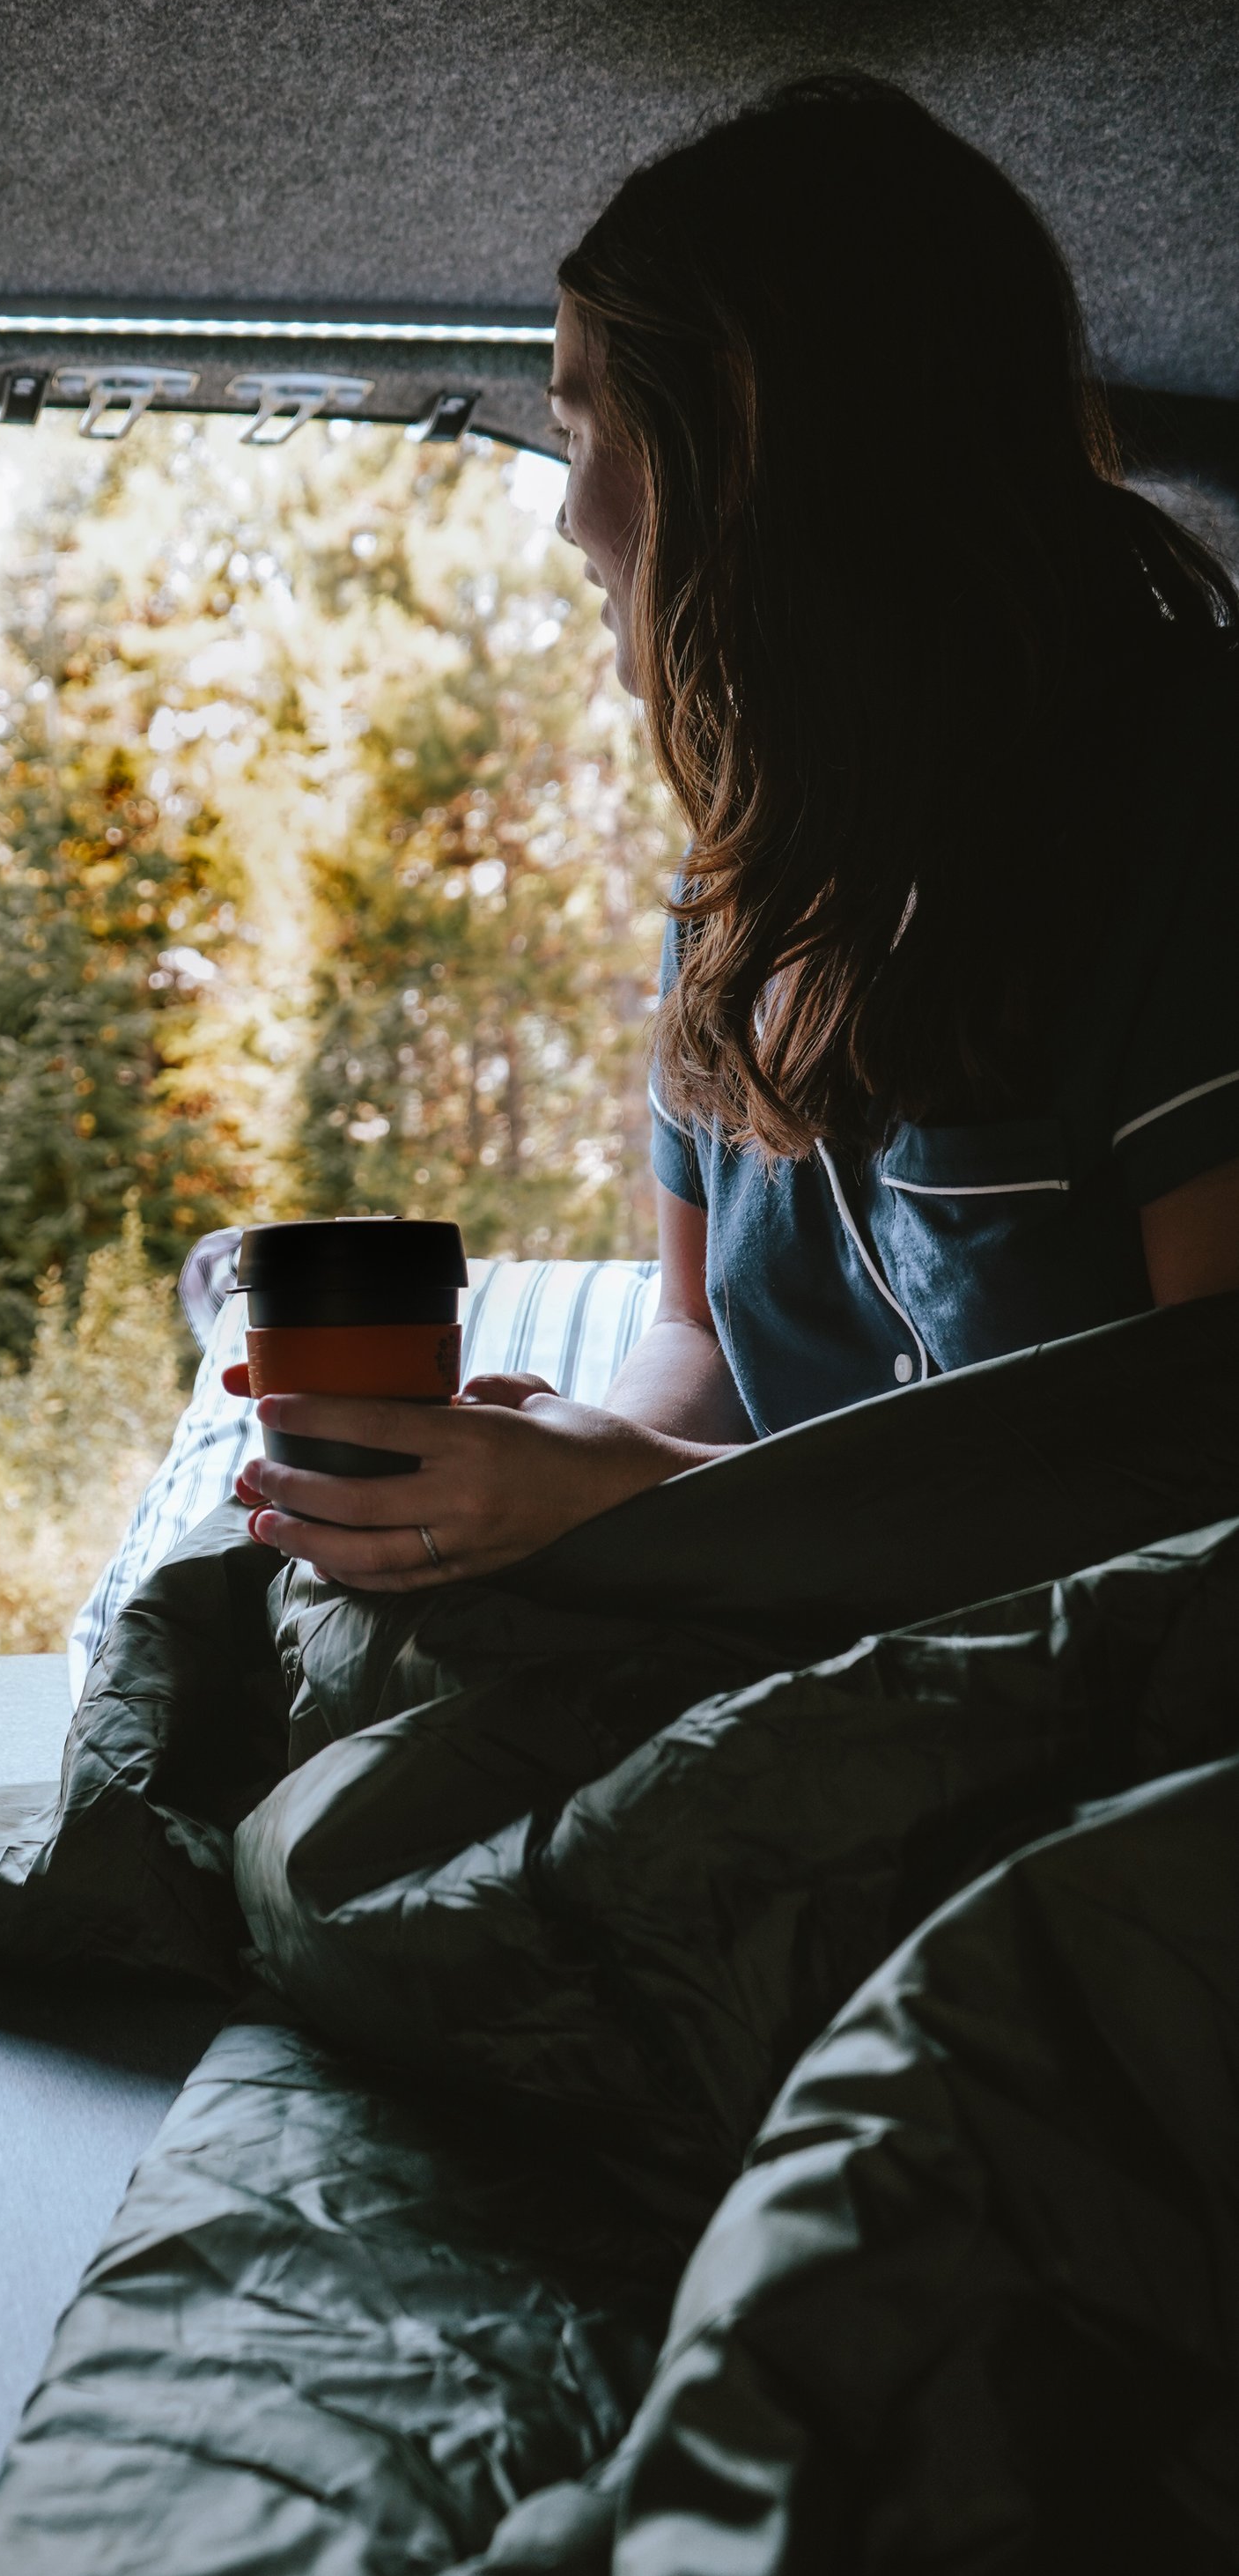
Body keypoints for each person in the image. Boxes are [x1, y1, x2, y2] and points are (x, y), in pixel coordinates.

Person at [237, 77, 1239, 1591]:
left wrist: (642, 1496)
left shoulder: (1186, 803)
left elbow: (1199, 1472)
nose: (567, 516)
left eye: (584, 430)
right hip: (761, 1644)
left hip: (1072, 1703)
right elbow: (697, 1334)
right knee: (250, 1609)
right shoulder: (739, 887)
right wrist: (577, 1455)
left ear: (755, 459)